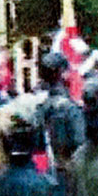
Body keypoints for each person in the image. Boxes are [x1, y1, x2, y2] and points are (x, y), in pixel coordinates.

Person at [36, 52, 86, 183]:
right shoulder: (70, 108)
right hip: (67, 175)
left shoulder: (38, 106)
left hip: (42, 175)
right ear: (62, 73)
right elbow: (80, 143)